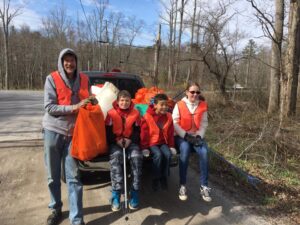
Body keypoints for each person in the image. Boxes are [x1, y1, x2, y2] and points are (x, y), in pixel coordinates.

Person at [43, 48, 94, 225]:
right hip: (53, 131)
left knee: (74, 177)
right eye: (66, 60)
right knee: (53, 176)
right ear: (61, 62)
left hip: (74, 134)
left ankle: (77, 219)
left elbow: (88, 102)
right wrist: (74, 107)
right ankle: (56, 209)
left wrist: (93, 102)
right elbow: (49, 107)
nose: (69, 63)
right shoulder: (52, 78)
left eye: (72, 60)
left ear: (76, 61)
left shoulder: (85, 79)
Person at [172, 82, 211, 202]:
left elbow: (204, 123)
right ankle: (182, 185)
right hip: (182, 136)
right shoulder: (179, 104)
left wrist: (199, 136)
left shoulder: (203, 105)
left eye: (197, 92)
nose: (195, 94)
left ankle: (204, 186)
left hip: (196, 136)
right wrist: (186, 136)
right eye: (192, 92)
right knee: (185, 151)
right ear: (187, 92)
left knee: (204, 152)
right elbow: (174, 122)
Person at [106, 90, 143, 211]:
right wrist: (116, 140)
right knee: (116, 158)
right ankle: (116, 195)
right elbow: (107, 132)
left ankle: (135, 193)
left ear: (130, 101)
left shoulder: (136, 113)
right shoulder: (111, 114)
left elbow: (138, 131)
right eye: (122, 100)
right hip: (116, 143)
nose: (124, 102)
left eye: (127, 100)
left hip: (130, 142)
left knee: (136, 157)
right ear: (117, 102)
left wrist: (130, 140)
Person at [140, 93, 176, 191]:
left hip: (163, 142)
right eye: (162, 104)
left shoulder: (169, 116)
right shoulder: (147, 116)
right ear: (155, 105)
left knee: (168, 155)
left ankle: (164, 177)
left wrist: (171, 146)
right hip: (152, 143)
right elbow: (144, 133)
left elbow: (170, 132)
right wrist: (144, 148)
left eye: (166, 105)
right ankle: (156, 178)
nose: (164, 107)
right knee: (158, 155)